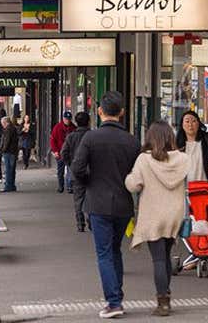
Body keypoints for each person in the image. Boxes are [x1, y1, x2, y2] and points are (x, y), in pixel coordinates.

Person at [71, 91, 140, 319]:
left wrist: (90, 182)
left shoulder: (91, 138)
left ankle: (113, 302)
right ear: (122, 112)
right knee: (114, 250)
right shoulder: (132, 141)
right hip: (123, 204)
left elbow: (77, 169)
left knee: (104, 253)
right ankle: (117, 296)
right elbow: (137, 174)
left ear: (100, 111)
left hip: (98, 203)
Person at [125, 121, 189, 317]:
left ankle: (163, 301)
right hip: (174, 213)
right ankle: (166, 293)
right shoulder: (183, 159)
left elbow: (134, 185)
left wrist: (128, 177)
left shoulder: (144, 160)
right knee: (166, 254)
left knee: (158, 259)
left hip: (153, 214)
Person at [175, 111, 208, 187]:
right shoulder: (177, 144)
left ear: (198, 123)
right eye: (187, 121)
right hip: (184, 190)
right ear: (182, 125)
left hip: (206, 188)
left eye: (194, 121)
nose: (190, 125)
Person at [62, 111, 92, 232]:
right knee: (92, 197)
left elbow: (64, 153)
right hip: (92, 171)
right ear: (88, 122)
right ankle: (91, 221)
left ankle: (80, 223)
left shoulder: (71, 136)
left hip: (77, 172)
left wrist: (71, 164)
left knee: (78, 199)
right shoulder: (92, 136)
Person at [50, 111, 76, 193]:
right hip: (60, 153)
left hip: (70, 154)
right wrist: (55, 151)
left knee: (70, 171)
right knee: (60, 171)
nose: (67, 120)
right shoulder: (57, 127)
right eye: (66, 119)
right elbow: (53, 140)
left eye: (69, 119)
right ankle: (60, 186)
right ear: (63, 119)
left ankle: (69, 187)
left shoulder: (73, 128)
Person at [0, 116, 19, 192]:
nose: (2, 125)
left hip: (9, 152)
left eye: (3, 123)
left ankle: (8, 186)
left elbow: (6, 141)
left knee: (8, 169)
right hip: (13, 151)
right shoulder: (13, 128)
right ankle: (12, 185)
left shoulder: (8, 130)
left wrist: (2, 150)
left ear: (5, 122)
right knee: (12, 169)